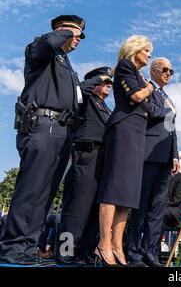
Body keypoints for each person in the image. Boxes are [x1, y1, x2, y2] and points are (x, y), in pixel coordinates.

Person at [0, 15, 109, 264]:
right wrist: (67, 32)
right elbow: (47, 43)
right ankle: (14, 247)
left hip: (61, 130)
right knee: (31, 188)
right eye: (76, 34)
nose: (79, 39)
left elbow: (78, 94)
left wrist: (100, 79)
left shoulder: (66, 65)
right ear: (61, 31)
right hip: (42, 124)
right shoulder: (41, 52)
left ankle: (28, 247)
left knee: (45, 194)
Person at [96, 35, 157, 267]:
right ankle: (103, 243)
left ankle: (117, 244)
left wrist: (148, 87)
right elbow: (136, 96)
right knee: (113, 188)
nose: (149, 55)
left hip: (136, 134)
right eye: (147, 50)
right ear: (135, 49)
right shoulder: (124, 67)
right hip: (123, 130)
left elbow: (151, 108)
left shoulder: (138, 74)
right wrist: (151, 86)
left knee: (127, 194)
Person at [56, 67, 113, 265]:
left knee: (95, 210)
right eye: (105, 82)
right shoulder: (84, 99)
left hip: (103, 160)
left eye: (109, 83)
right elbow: (78, 90)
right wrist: (98, 79)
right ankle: (66, 251)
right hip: (85, 156)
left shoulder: (107, 109)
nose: (108, 86)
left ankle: (85, 251)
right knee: (76, 208)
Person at [126, 57, 180, 267]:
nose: (168, 74)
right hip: (147, 155)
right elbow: (152, 112)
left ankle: (150, 253)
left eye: (171, 71)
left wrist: (175, 155)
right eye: (165, 69)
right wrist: (170, 111)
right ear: (154, 70)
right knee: (140, 207)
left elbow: (171, 130)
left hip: (165, 159)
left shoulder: (168, 97)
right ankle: (133, 252)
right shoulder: (145, 88)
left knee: (157, 209)